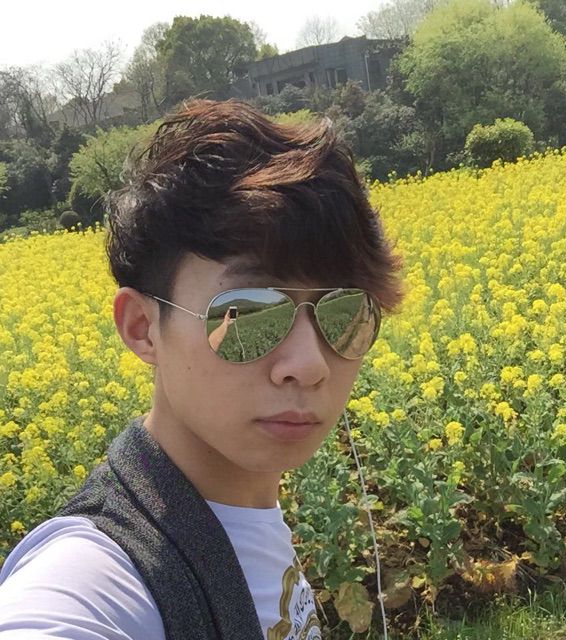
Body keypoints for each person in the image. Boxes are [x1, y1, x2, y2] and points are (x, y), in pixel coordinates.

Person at [0, 99, 404, 639]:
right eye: (248, 313)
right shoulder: (97, 577)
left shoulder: (246, 516)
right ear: (143, 328)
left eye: (345, 312)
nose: (310, 365)